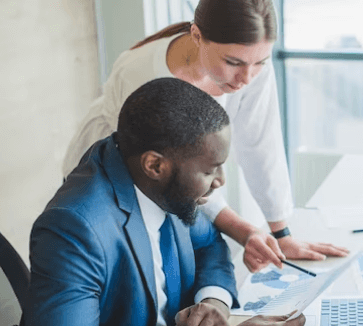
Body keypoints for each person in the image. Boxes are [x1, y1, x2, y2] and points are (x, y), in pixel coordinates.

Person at [10, 78, 306, 326]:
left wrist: (213, 300)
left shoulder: (161, 180)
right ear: (155, 165)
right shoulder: (74, 229)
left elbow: (209, 243)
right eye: (210, 170)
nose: (220, 181)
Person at [62, 0, 348, 273]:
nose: (247, 78)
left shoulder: (249, 59)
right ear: (197, 36)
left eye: (261, 62)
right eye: (233, 62)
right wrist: (246, 232)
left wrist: (280, 232)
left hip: (177, 180)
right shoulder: (145, 78)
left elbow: (261, 142)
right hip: (115, 179)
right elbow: (184, 178)